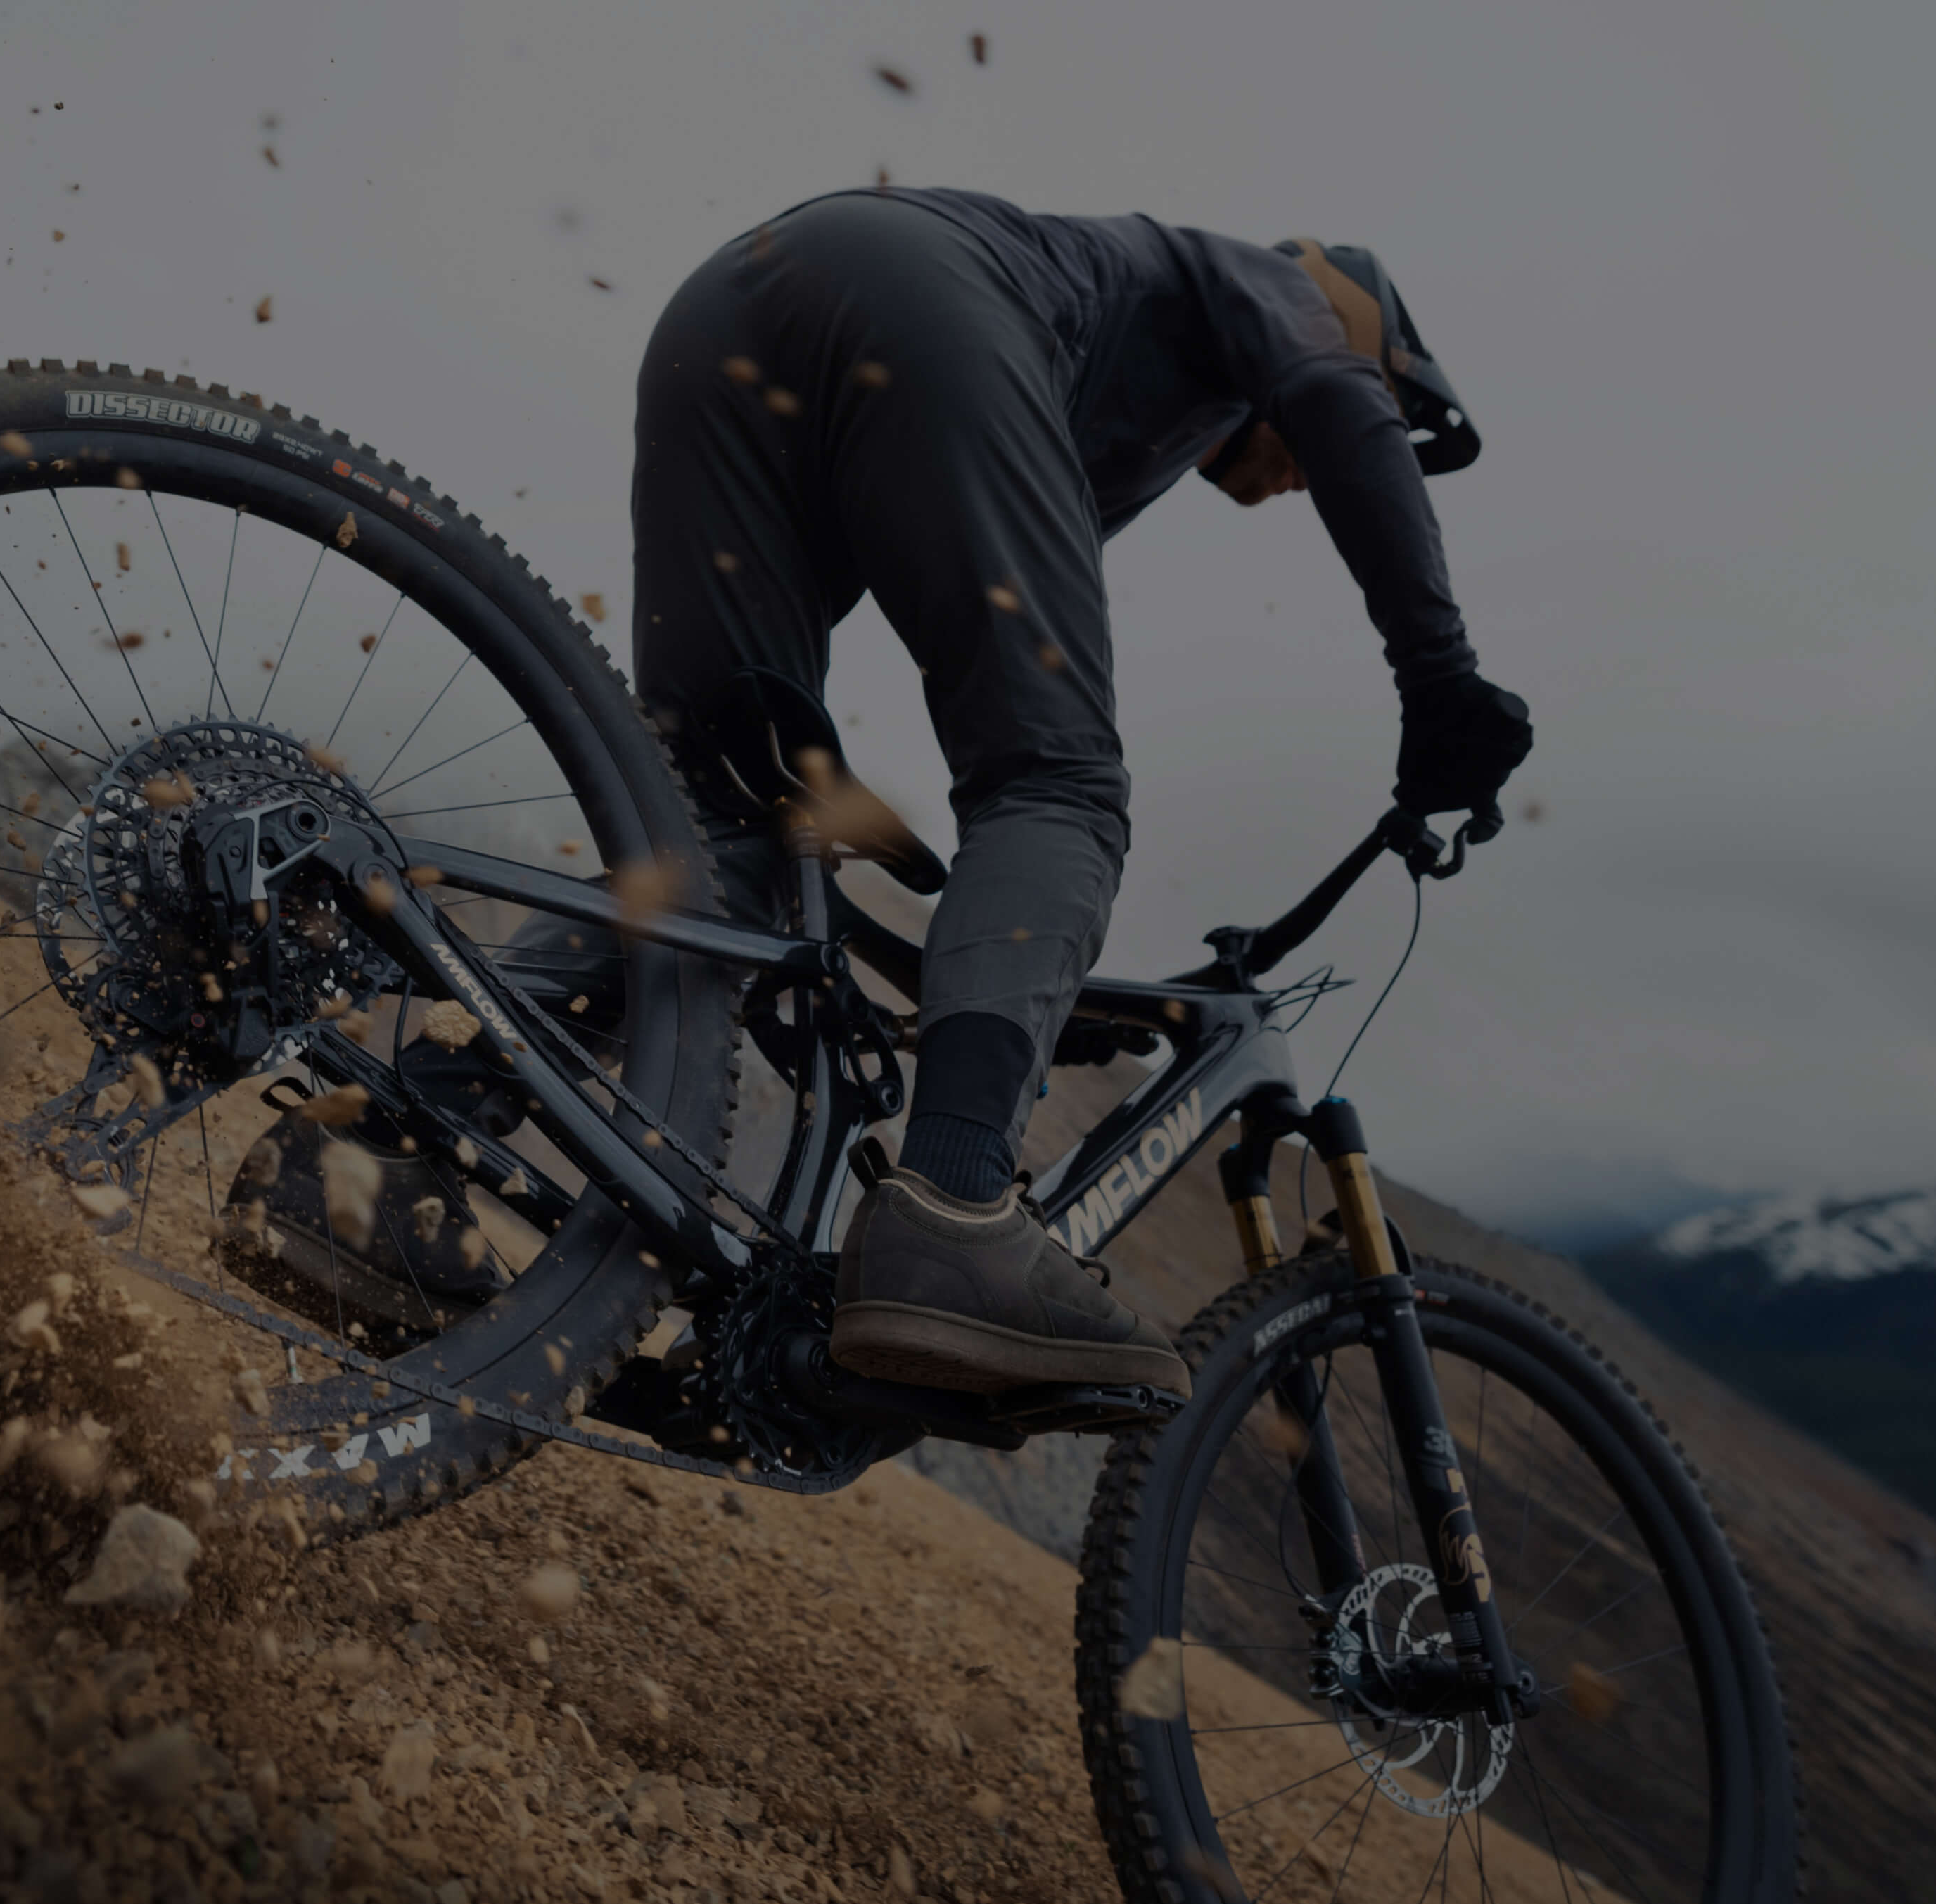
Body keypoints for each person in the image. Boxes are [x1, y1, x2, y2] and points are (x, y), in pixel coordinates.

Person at [633, 188, 1532, 1402]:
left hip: (726, 306)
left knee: (719, 830)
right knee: (1057, 781)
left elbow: (921, 564)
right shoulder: (1279, 289)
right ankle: (956, 1211)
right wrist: (1442, 681)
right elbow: (1337, 404)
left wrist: (1025, 978)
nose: (1304, 481)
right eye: (1384, 404)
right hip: (913, 290)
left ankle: (436, 1104)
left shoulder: (1130, 393)